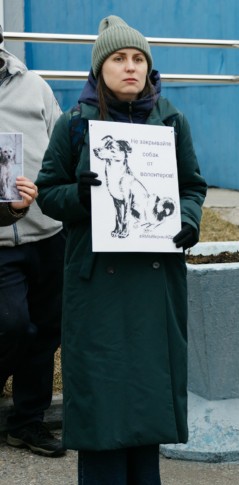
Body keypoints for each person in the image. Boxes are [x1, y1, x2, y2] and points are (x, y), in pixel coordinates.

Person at [35, 16, 207, 485]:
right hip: (97, 283)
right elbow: (48, 192)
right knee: (105, 388)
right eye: (118, 59)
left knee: (150, 384)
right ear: (100, 68)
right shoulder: (74, 122)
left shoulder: (170, 119)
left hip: (155, 277)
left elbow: (192, 185)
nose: (130, 68)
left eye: (138, 59)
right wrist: (82, 197)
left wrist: (189, 222)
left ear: (148, 68)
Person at [0, 22, 66, 459]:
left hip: (49, 232)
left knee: (46, 331)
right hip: (1, 243)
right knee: (12, 325)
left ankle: (27, 423)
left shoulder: (34, 85)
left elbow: (62, 145)